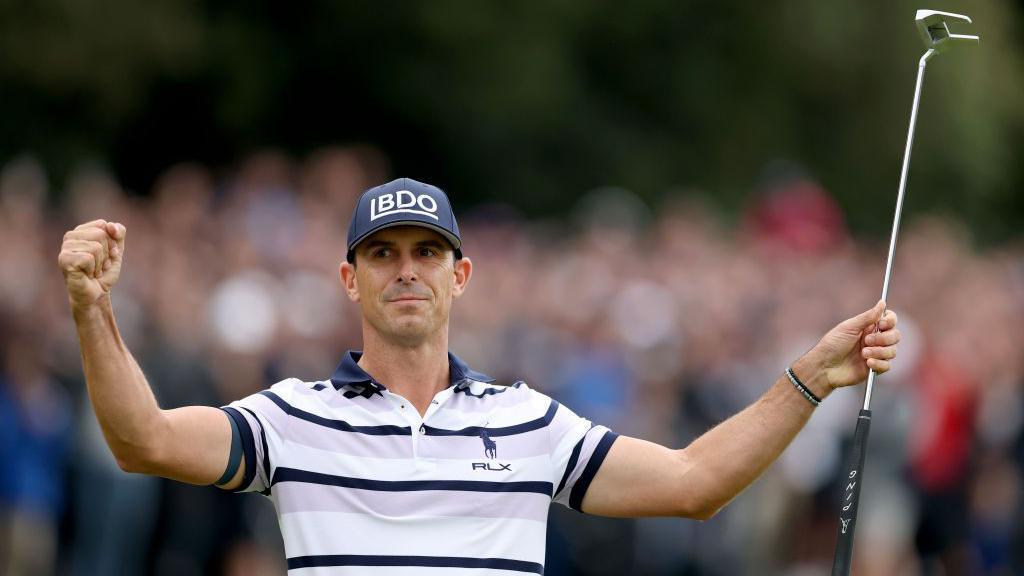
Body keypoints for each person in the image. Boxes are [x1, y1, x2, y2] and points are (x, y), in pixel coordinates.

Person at [58, 177, 900, 575]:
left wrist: (811, 376)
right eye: (381, 256)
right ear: (350, 280)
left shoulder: (530, 423)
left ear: (461, 275)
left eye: (428, 253)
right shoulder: (292, 420)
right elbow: (143, 440)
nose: (406, 271)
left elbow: (695, 483)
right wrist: (94, 308)